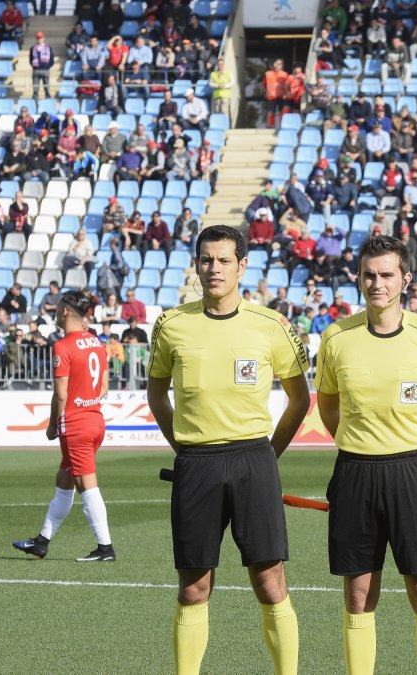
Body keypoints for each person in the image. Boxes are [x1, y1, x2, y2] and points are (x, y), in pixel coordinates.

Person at [147, 225, 312, 675]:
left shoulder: (272, 325)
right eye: (206, 260)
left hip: (253, 460)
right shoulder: (170, 324)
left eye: (223, 261)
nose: (214, 269)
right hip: (196, 463)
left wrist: (268, 454)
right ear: (196, 264)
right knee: (194, 586)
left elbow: (301, 400)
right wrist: (181, 445)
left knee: (269, 580)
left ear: (242, 266)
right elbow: (157, 395)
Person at [314, 235, 417, 675]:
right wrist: (362, 442)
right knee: (358, 595)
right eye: (369, 275)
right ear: (358, 278)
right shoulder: (336, 337)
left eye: (386, 275)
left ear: (406, 279)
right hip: (355, 472)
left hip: (412, 471)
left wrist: (414, 443)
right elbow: (328, 406)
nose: (377, 283)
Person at [12, 292, 114, 562]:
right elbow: (104, 386)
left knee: (87, 484)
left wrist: (52, 424)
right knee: (64, 481)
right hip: (95, 420)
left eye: (58, 309)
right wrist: (88, 398)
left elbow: (60, 395)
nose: (56, 313)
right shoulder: (96, 342)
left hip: (76, 424)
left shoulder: (63, 346)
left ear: (66, 312)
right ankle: (42, 541)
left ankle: (105, 547)